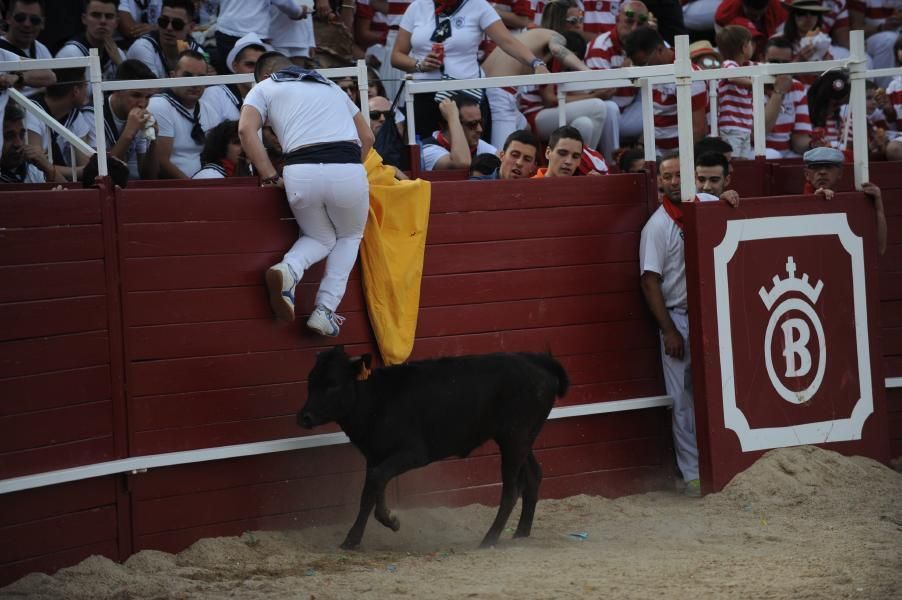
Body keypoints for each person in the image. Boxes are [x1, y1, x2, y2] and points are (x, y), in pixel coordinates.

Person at [239, 51, 374, 336]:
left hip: (299, 172)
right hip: (346, 168)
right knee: (349, 235)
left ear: (264, 75)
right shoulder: (330, 86)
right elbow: (368, 138)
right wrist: (347, 170)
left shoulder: (263, 87)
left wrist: (270, 175)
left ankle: (290, 269)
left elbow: (245, 131)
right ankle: (325, 310)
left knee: (319, 237)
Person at [639, 150, 739, 498]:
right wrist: (669, 330)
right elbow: (650, 281)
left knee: (723, 388)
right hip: (679, 314)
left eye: (679, 174)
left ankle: (726, 464)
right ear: (659, 183)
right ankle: (694, 473)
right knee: (682, 398)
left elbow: (734, 214)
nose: (672, 181)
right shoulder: (657, 226)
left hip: (714, 311)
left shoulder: (709, 203)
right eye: (666, 176)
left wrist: (729, 199)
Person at [390, 0, 550, 140]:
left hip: (468, 96)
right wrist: (419, 64)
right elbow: (396, 56)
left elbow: (507, 41)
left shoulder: (478, 5)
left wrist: (536, 63)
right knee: (427, 157)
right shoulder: (417, 7)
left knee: (473, 158)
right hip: (425, 95)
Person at [481, 27, 597, 149]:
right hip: (500, 93)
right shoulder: (556, 37)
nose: (563, 67)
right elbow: (558, 49)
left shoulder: (531, 36)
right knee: (504, 153)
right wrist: (589, 72)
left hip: (487, 88)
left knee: (524, 127)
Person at [623, 27, 708, 154]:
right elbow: (658, 116)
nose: (641, 70)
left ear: (660, 50)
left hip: (681, 157)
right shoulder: (654, 70)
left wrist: (686, 162)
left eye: (643, 64)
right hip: (658, 153)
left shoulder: (689, 75)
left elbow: (699, 129)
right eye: (637, 66)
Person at [585, 1, 655, 144]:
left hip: (630, 109)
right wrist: (624, 71)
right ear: (617, 19)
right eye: (629, 22)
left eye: (640, 24)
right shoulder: (600, 47)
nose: (634, 28)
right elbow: (602, 92)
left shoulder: (648, 44)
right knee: (609, 108)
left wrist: (652, 37)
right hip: (605, 115)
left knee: (661, 93)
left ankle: (654, 151)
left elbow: (668, 58)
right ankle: (611, 160)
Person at [802, 146, 887, 255]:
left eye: (828, 167)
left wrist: (878, 204)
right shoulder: (802, 201)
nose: (822, 171)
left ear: (840, 173)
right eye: (815, 167)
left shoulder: (855, 204)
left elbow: (879, 249)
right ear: (806, 174)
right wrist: (815, 202)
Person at [24, 67, 93, 181]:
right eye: (85, 85)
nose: (87, 90)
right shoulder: (32, 110)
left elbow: (85, 165)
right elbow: (36, 162)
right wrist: (78, 171)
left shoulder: (76, 116)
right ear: (76, 91)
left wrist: (81, 171)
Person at [98, 59, 159, 180]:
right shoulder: (93, 114)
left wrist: (153, 141)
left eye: (148, 97)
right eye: (136, 95)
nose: (143, 103)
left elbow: (148, 177)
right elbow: (100, 173)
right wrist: (129, 133)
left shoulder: (140, 117)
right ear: (117, 90)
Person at [212, 0, 306, 75]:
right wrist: (299, 12)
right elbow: (283, 3)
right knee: (258, 74)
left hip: (226, 30)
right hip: (255, 31)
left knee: (229, 76)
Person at [126, 0, 205, 79]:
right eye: (164, 21)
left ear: (191, 27)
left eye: (177, 24)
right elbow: (152, 89)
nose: (169, 28)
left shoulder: (197, 52)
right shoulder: (142, 48)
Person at [203, 33, 273, 122]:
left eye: (261, 65)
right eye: (250, 64)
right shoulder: (214, 94)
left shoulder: (270, 98)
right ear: (235, 66)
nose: (256, 70)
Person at [56, 0, 126, 88]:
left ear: (116, 23)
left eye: (109, 16)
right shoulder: (70, 54)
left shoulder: (119, 54)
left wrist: (120, 64)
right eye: (96, 15)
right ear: (84, 19)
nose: (103, 21)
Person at [762, 36, 812, 158]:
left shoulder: (798, 87)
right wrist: (778, 92)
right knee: (773, 155)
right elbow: (758, 133)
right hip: (758, 151)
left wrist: (814, 145)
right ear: (761, 59)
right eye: (774, 62)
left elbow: (799, 141)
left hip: (787, 152)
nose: (779, 68)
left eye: (785, 63)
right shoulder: (750, 84)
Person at [421, 95, 497, 171]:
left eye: (481, 122)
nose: (479, 129)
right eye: (472, 124)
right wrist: (453, 117)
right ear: (449, 125)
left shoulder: (478, 145)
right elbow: (462, 163)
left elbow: (502, 161)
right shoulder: (428, 149)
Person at [716, 25, 756, 160]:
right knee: (732, 161)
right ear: (744, 46)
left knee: (743, 163)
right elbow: (732, 76)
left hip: (743, 126)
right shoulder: (729, 64)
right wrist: (755, 83)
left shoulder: (744, 67)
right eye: (750, 43)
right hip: (731, 126)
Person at [850, 0, 900, 86]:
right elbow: (856, 29)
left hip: (896, 35)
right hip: (866, 39)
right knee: (887, 39)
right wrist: (882, 27)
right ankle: (884, 91)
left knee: (890, 38)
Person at [0, 103, 54, 183]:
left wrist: (49, 169)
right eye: (9, 136)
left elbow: (66, 194)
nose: (18, 143)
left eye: (21, 135)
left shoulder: (31, 170)